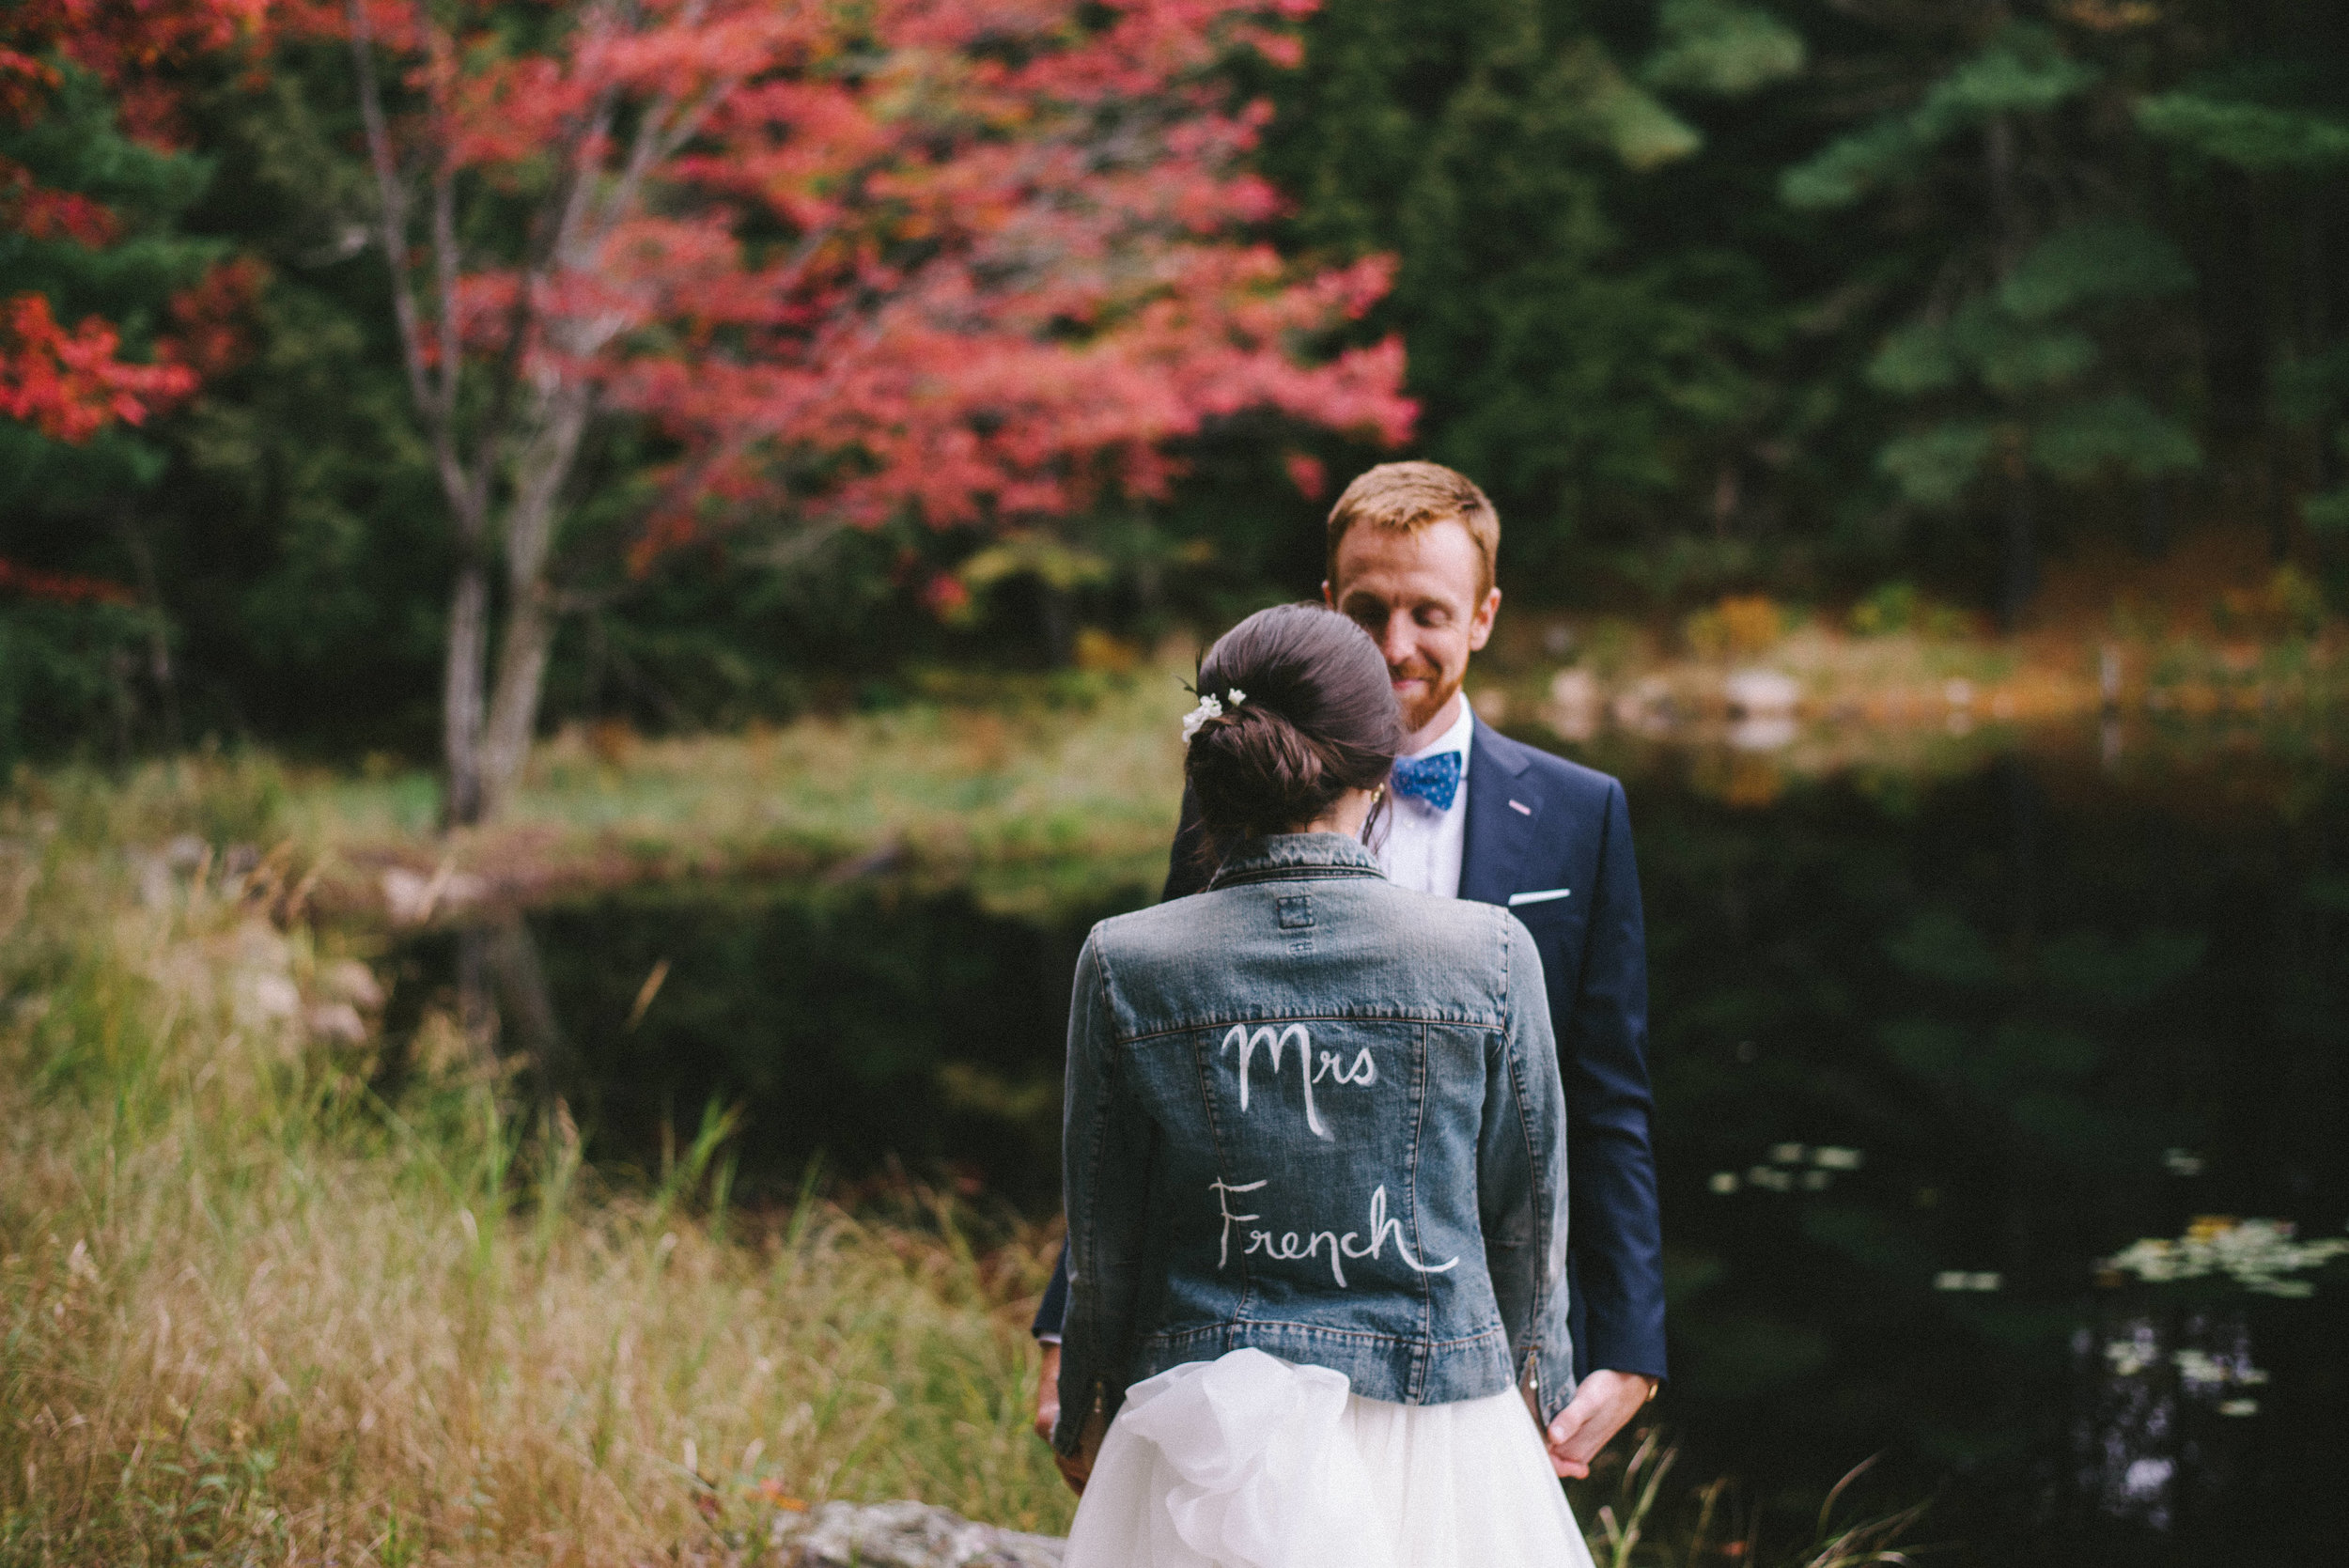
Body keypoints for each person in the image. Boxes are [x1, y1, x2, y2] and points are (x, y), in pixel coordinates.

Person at [1037, 461, 1666, 1483]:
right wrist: (1073, 1329)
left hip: (1468, 1353)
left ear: (1484, 616)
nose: (1395, 644)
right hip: (1242, 1356)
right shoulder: (1222, 802)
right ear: (1325, 606)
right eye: (1367, 609)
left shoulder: (1578, 814)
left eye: (1430, 611)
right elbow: (1147, 1076)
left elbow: (1605, 1099)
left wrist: (1629, 1345)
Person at [1052, 601, 1595, 1568]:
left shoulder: (1125, 962)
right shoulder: (1487, 955)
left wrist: (1085, 1405)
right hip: (1440, 1424)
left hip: (1205, 1435)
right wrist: (1537, 1386)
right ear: (1379, 762)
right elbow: (1526, 1217)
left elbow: (1105, 1237)